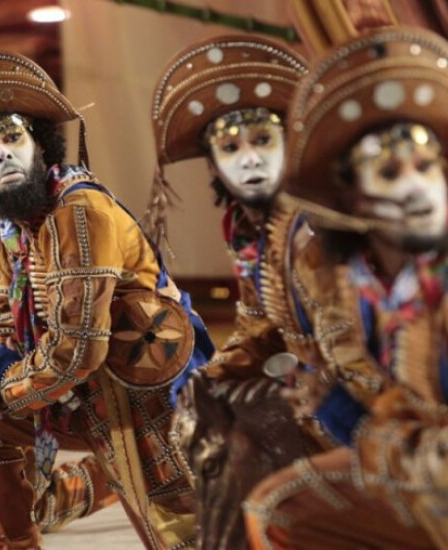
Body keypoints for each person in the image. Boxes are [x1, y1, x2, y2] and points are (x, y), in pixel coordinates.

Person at [244, 27, 448, 549]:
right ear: (350, 198)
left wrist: (377, 446)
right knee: (283, 504)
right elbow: (410, 404)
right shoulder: (383, 283)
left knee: (290, 508)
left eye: (425, 167)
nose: (415, 189)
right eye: (388, 172)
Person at [0, 49, 213, 549]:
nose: (2, 155)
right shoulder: (14, 229)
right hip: (79, 392)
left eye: (13, 139)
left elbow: (77, 352)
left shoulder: (79, 213)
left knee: (185, 532)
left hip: (142, 395)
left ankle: (118, 476)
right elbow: (6, 319)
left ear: (40, 145)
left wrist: (4, 393)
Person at [148, 35, 335, 550]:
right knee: (209, 411)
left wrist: (310, 383)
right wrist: (213, 376)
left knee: (241, 434)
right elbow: (258, 324)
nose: (249, 160)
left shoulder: (320, 221)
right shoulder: (246, 226)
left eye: (263, 141)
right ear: (213, 164)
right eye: (231, 148)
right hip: (307, 383)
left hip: (355, 397)